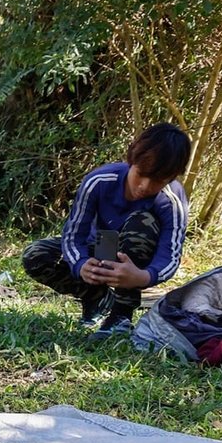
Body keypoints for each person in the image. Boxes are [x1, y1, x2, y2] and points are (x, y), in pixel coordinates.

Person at [21, 123, 192, 338]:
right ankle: (97, 300)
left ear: (173, 177)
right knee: (36, 255)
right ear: (132, 159)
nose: (144, 186)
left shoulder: (172, 201)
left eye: (157, 181)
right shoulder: (99, 181)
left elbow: (171, 257)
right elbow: (73, 235)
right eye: (141, 174)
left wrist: (144, 277)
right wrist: (81, 263)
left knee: (142, 222)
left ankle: (121, 314)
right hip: (100, 251)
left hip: (137, 264)